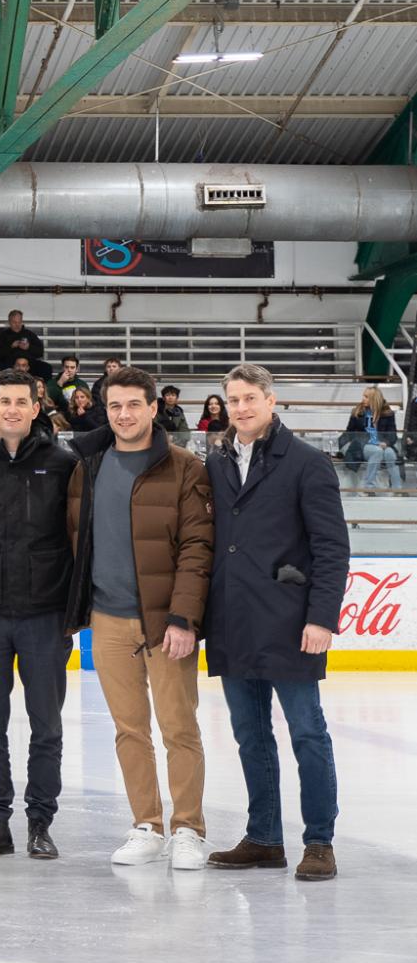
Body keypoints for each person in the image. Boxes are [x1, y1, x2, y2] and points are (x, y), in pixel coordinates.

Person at [204, 364, 349, 881]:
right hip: (232, 618)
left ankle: (319, 842)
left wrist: (322, 618)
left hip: (290, 621)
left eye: (250, 398)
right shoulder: (217, 460)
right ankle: (264, 837)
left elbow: (332, 548)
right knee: (250, 735)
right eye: (233, 400)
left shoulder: (307, 463)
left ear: (271, 400)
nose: (241, 408)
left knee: (308, 732)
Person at [67, 365, 214, 871]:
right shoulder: (87, 464)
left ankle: (189, 828)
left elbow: (197, 548)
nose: (124, 414)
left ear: (154, 408)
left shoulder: (185, 467)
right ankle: (147, 825)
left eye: (134, 404)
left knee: (179, 728)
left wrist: (183, 618)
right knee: (129, 729)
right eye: (115, 406)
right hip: (107, 620)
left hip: (165, 622)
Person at [0, 370, 78, 862]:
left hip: (44, 615)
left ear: (35, 407)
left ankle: (41, 821)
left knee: (46, 725)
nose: (11, 409)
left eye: (20, 401)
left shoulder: (63, 462)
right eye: (3, 400)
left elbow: (74, 536)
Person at [342, 386, 402, 491]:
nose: (363, 399)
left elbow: (392, 435)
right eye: (363, 396)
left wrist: (386, 443)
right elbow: (349, 432)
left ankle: (397, 489)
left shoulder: (387, 414)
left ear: (374, 399)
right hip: (362, 445)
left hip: (381, 444)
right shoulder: (357, 412)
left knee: (390, 453)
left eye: (366, 397)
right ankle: (369, 487)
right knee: (377, 451)